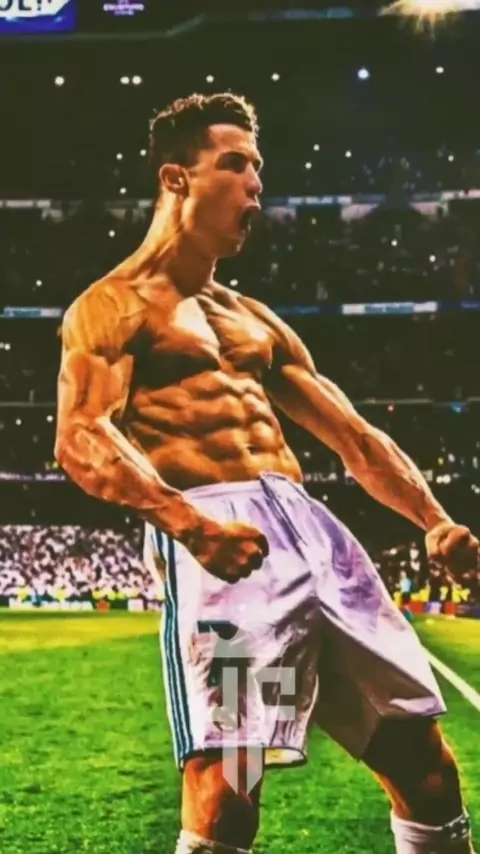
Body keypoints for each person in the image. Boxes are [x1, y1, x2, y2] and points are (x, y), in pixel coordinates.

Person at [54, 92, 478, 854]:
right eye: (236, 164)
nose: (256, 186)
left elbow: (355, 437)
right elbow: (81, 436)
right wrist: (189, 525)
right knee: (230, 786)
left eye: (259, 167)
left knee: (425, 769)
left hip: (313, 537)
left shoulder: (253, 319)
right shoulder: (110, 307)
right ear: (176, 179)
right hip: (222, 544)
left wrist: (433, 518)